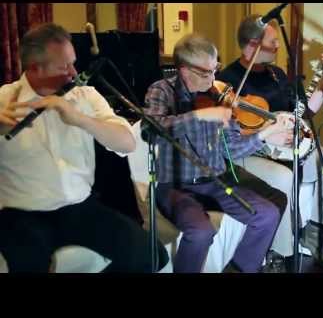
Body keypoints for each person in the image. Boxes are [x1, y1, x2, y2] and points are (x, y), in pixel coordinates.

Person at [0, 23, 168, 273]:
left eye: (73, 62)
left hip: (80, 207)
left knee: (153, 256)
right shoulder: (4, 99)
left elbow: (127, 142)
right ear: (35, 68)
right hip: (22, 213)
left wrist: (81, 119)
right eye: (64, 66)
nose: (74, 72)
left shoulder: (86, 96)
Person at [144, 33, 290, 273]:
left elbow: (231, 148)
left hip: (215, 182)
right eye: (207, 73)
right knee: (201, 231)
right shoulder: (161, 91)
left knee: (267, 215)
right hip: (175, 186)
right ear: (184, 70)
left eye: (215, 69)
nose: (214, 78)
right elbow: (152, 128)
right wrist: (199, 116)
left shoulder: (218, 97)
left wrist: (264, 134)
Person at [217, 15, 323, 269]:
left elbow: (303, 110)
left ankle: (319, 230)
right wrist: (268, 131)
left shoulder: (276, 74)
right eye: (273, 41)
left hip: (288, 149)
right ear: (253, 45)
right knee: (283, 177)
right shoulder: (228, 79)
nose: (278, 46)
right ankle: (281, 250)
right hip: (252, 152)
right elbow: (225, 135)